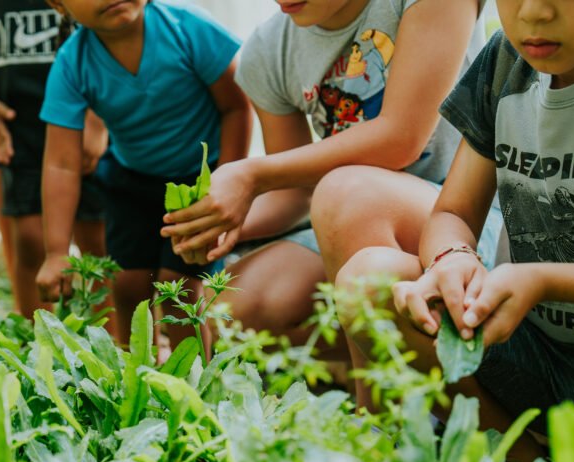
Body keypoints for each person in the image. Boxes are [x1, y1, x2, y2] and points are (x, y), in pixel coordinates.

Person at [160, 0, 498, 358]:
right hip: (350, 221)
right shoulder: (270, 50)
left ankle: (377, 407)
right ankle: (404, 361)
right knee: (236, 310)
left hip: (461, 222)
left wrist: (252, 174)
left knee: (348, 193)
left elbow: (401, 139)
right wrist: (220, 223)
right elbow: (297, 194)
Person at [363, 0, 574, 462]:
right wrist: (453, 258)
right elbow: (452, 211)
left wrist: (542, 280)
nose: (533, 12)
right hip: (529, 352)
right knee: (371, 282)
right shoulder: (505, 63)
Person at [36, 0, 251, 355]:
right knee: (128, 286)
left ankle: (195, 388)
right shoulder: (72, 63)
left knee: (176, 287)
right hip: (131, 181)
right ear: (58, 5)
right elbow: (61, 163)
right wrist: (56, 252)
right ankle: (136, 381)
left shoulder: (187, 27)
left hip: (198, 182)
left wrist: (225, 183)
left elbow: (236, 106)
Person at [0, 0, 110, 320]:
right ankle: (34, 338)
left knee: (99, 242)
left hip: (85, 128)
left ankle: (116, 345)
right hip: (20, 129)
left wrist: (99, 120)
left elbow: (119, 29)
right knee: (29, 240)